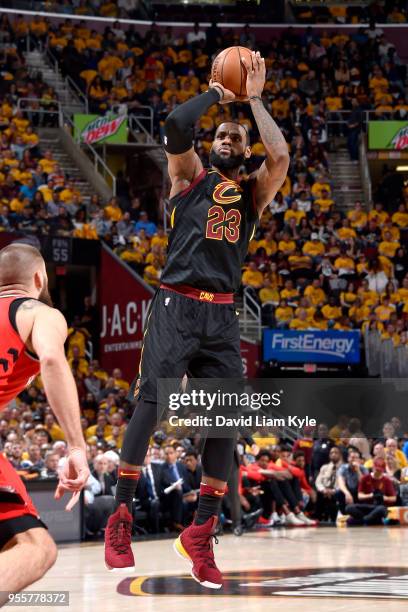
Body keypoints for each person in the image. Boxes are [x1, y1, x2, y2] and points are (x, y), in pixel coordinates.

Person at [104, 50, 289, 588]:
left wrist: (252, 102)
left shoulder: (253, 192)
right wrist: (217, 93)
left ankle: (201, 531)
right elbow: (175, 124)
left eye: (236, 138)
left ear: (245, 148)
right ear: (212, 145)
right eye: (223, 137)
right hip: (176, 300)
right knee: (153, 401)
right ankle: (121, 516)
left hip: (223, 313)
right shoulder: (188, 174)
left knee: (226, 420)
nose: (228, 142)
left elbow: (280, 158)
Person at [0, 243, 89, 606]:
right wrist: (77, 448)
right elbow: (52, 359)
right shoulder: (40, 313)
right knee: (35, 547)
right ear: (39, 278)